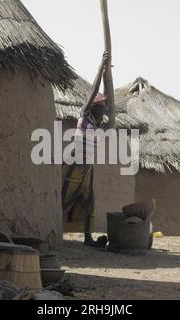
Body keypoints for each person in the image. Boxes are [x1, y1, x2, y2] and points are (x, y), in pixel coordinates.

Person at [62, 51, 110, 247]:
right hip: (75, 159)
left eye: (103, 107)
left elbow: (107, 97)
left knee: (89, 198)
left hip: (87, 163)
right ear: (94, 107)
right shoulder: (85, 113)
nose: (103, 109)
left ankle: (88, 237)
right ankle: (55, 229)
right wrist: (100, 68)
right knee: (65, 196)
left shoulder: (98, 123)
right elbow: (93, 92)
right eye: (101, 106)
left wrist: (108, 76)